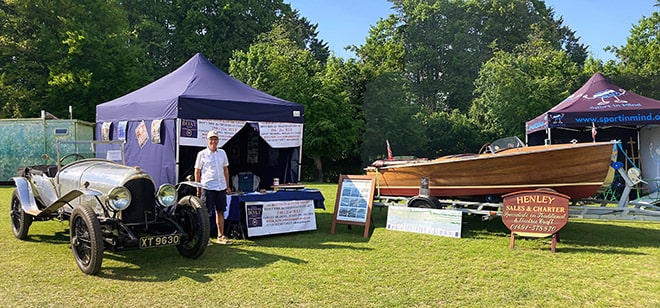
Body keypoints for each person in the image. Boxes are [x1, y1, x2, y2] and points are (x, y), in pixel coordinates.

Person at [194, 130, 232, 245]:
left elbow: (225, 170)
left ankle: (220, 236)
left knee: (220, 211)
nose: (213, 141)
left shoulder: (222, 153)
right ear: (207, 140)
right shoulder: (202, 154)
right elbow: (197, 171)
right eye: (211, 139)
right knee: (205, 213)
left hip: (221, 187)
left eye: (215, 139)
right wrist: (198, 187)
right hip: (207, 186)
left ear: (218, 140)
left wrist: (228, 186)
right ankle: (205, 238)